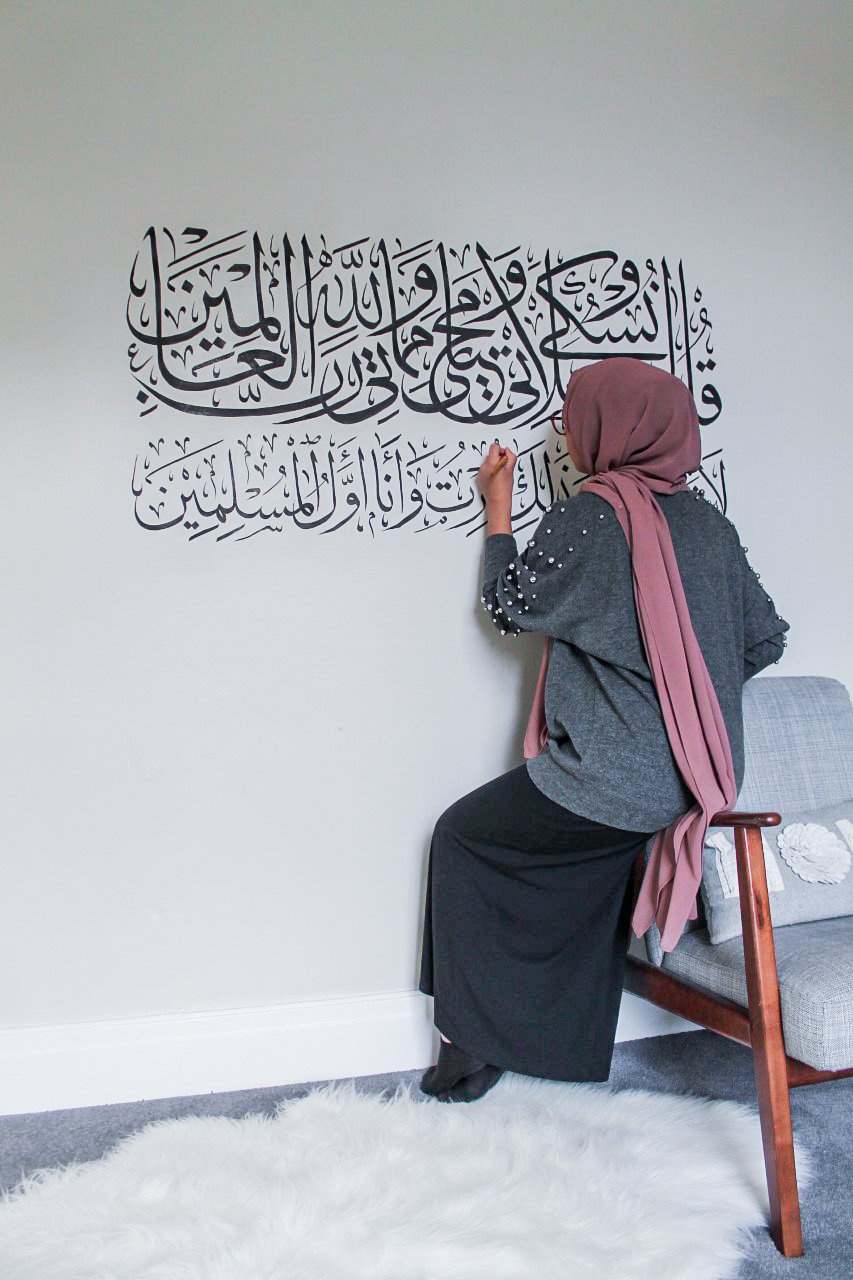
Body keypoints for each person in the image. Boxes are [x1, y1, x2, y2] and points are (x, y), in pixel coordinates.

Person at [418, 356, 790, 1104]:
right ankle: (540, 1039)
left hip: (610, 779)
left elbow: (509, 604)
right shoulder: (709, 525)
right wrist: (682, 695)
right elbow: (764, 639)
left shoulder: (591, 515)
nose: (566, 431)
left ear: (606, 427)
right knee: (575, 874)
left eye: (575, 417)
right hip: (698, 776)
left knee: (463, 839)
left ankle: (469, 1052)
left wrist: (498, 507)